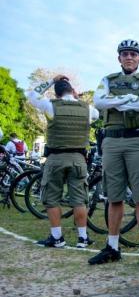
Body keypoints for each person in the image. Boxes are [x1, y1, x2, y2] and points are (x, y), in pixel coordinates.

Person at [89, 39, 139, 268]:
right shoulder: (107, 79)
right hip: (111, 141)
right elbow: (99, 101)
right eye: (125, 54)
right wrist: (131, 99)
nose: (129, 57)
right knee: (113, 196)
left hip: (138, 140)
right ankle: (112, 246)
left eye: (133, 54)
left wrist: (116, 102)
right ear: (119, 58)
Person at [26, 75, 99, 248]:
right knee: (79, 199)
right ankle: (83, 238)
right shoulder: (88, 109)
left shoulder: (50, 105)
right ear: (73, 91)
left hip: (55, 158)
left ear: (57, 93)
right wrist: (77, 99)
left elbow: (32, 95)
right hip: (78, 159)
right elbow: (96, 114)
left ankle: (57, 237)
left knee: (52, 199)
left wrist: (51, 80)